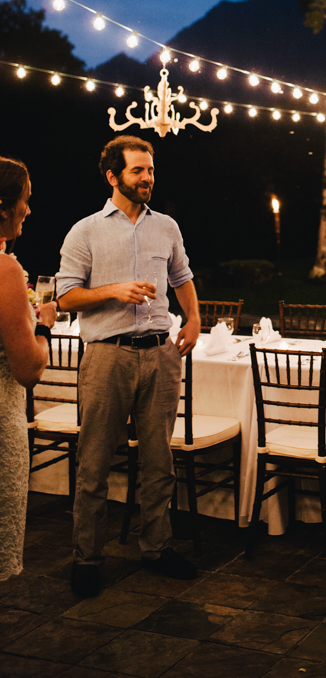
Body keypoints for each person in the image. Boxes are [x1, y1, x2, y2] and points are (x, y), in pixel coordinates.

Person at [57, 135, 201, 598]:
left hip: (160, 354)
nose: (148, 178)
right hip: (106, 356)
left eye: (151, 170)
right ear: (113, 176)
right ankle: (87, 557)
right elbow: (64, 296)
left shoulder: (168, 227)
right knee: (95, 461)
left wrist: (195, 320)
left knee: (160, 461)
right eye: (139, 171)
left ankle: (157, 548)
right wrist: (113, 290)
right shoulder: (85, 231)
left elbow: (182, 278)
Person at [0, 156, 58, 582]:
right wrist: (43, 327)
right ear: (4, 208)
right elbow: (28, 370)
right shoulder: (5, 270)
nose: (29, 209)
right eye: (26, 200)